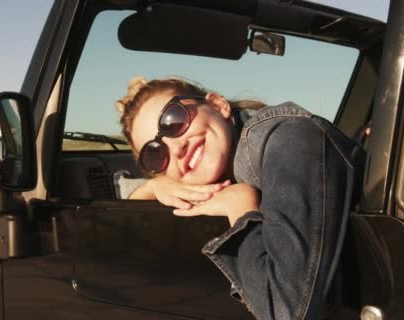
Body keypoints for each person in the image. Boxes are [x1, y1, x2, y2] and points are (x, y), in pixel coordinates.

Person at [115, 77, 364, 319]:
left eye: (174, 120)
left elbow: (286, 310)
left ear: (218, 105)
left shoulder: (287, 138)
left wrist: (243, 211)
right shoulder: (224, 163)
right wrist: (155, 187)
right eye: (155, 154)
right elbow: (126, 192)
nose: (176, 149)